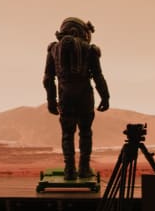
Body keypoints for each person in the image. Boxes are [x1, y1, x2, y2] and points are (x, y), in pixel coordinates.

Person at [43, 17, 110, 180]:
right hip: (85, 97)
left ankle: (69, 170)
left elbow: (47, 78)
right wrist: (105, 97)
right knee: (85, 132)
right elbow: (98, 76)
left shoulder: (53, 50)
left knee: (67, 133)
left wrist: (51, 100)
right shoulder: (90, 49)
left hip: (65, 97)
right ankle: (84, 168)